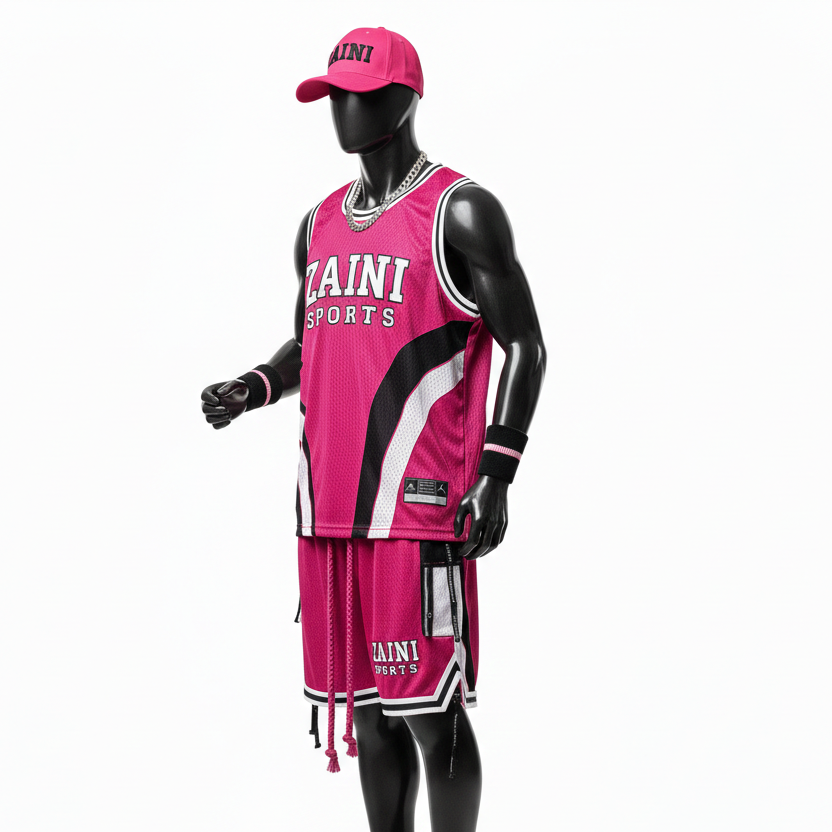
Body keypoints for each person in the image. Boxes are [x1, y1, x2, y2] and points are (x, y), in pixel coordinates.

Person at [201, 27, 546, 832]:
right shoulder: (318, 224)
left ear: (405, 98)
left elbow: (527, 343)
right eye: (333, 97)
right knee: (368, 714)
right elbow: (313, 341)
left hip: (415, 508)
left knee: (430, 711)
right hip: (328, 510)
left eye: (359, 95)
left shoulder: (459, 211)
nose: (343, 112)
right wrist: (254, 386)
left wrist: (497, 474)